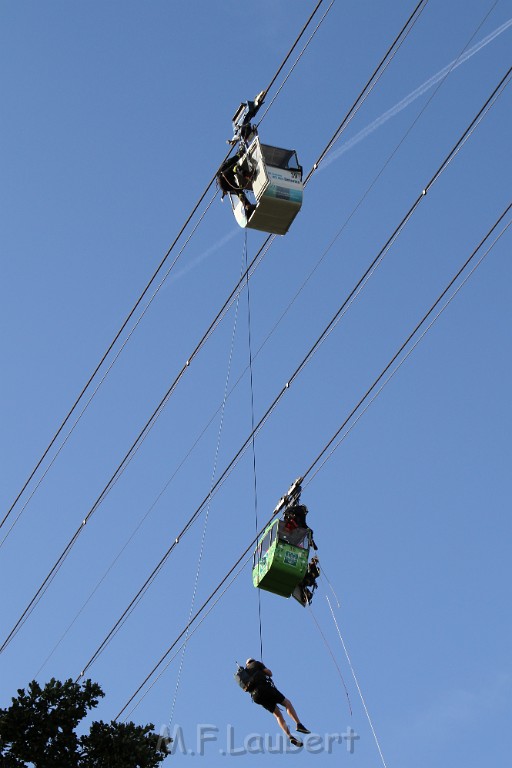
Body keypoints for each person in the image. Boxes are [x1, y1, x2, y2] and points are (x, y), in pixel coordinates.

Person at [243, 659, 310, 747]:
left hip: (257, 697)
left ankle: (289, 736)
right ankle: (298, 724)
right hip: (266, 689)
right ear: (252, 661)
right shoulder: (256, 664)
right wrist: (263, 667)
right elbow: (270, 673)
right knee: (287, 703)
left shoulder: (244, 674)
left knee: (277, 715)